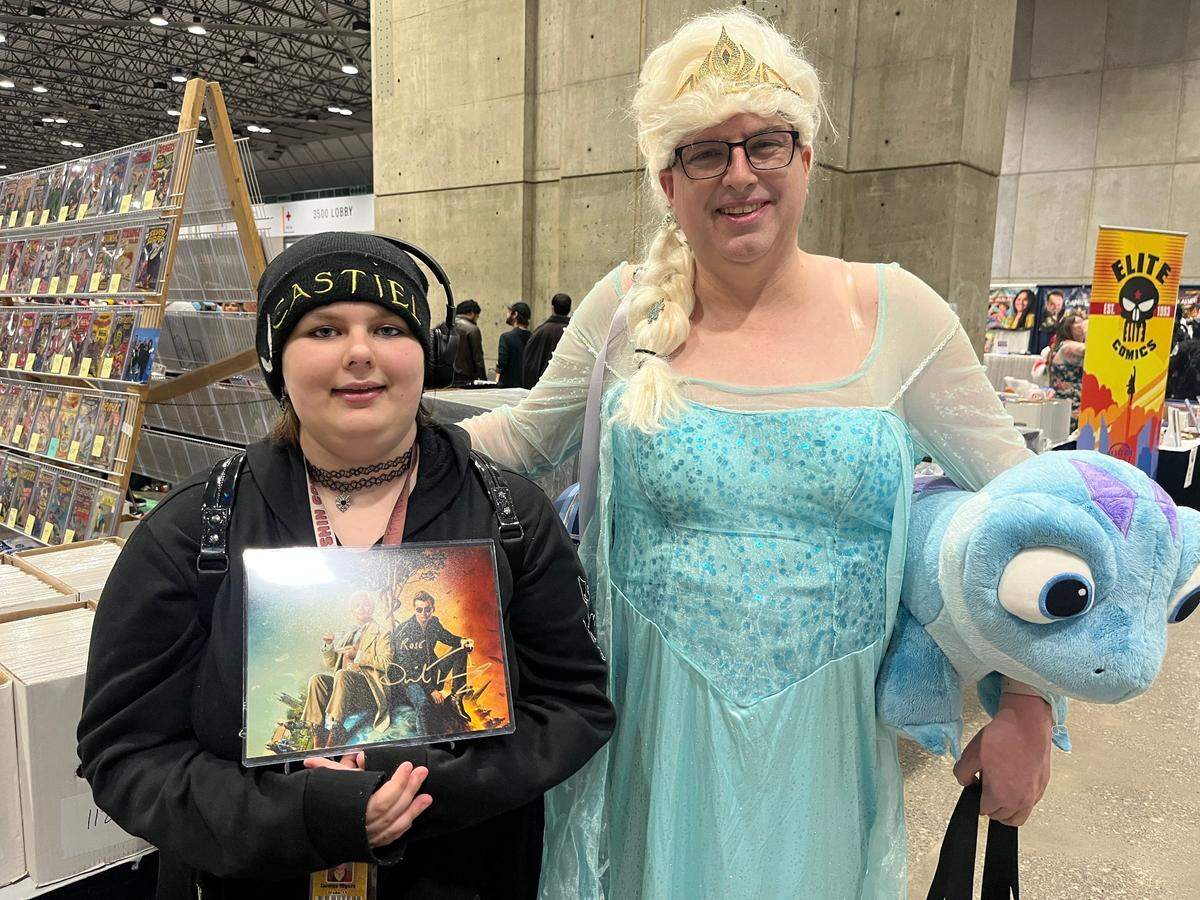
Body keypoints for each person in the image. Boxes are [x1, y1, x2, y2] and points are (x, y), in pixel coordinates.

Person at [460, 10, 1060, 898]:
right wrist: (366, 435)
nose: (739, 175)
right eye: (706, 151)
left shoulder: (900, 314)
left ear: (806, 157)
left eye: (765, 144)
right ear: (668, 179)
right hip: (649, 741)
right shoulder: (624, 308)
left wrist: (1028, 708)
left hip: (828, 750)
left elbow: (1030, 513)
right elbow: (518, 442)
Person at [77, 232, 614, 899]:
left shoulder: (509, 519)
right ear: (277, 361)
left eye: (388, 327)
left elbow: (574, 705)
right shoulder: (195, 530)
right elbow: (126, 754)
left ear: (426, 353)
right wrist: (311, 812)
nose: (359, 352)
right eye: (324, 329)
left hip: (459, 877)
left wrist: (422, 786)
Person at [303, 589, 396, 749]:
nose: (361, 608)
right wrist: (328, 645)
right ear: (352, 610)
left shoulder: (382, 633)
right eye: (357, 606)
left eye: (365, 605)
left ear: (372, 608)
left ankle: (337, 731)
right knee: (317, 680)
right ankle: (318, 732)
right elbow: (331, 663)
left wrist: (358, 656)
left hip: (368, 692)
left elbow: (386, 662)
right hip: (343, 690)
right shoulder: (349, 634)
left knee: (343, 675)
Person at [390, 590, 473, 734]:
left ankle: (456, 697)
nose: (423, 613)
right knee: (423, 705)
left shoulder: (434, 623)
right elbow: (407, 668)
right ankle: (424, 741)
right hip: (411, 680)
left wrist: (462, 641)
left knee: (461, 649)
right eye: (419, 610)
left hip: (433, 672)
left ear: (432, 609)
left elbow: (447, 637)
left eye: (427, 609)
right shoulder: (403, 631)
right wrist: (431, 690)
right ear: (414, 610)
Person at [522, 293, 572, 388]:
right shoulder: (574, 333)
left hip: (543, 390)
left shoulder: (540, 332)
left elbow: (530, 366)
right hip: (568, 390)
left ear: (552, 308)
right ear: (569, 309)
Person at [1048, 313, 1088, 430]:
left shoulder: (1062, 346)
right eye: (1078, 322)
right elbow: (1091, 349)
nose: (1082, 324)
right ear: (1068, 328)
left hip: (1071, 404)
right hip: (1071, 406)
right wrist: (1087, 329)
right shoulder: (1067, 347)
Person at [495, 301, 532, 388]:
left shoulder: (506, 337)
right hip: (527, 386)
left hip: (508, 386)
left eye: (509, 312)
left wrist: (497, 377)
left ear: (515, 314)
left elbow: (502, 363)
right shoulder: (533, 337)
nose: (507, 314)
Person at [451, 298, 487, 384]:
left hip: (446, 376)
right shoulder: (472, 329)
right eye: (477, 317)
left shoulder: (443, 326)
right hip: (466, 378)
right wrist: (484, 379)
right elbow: (478, 359)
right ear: (472, 313)